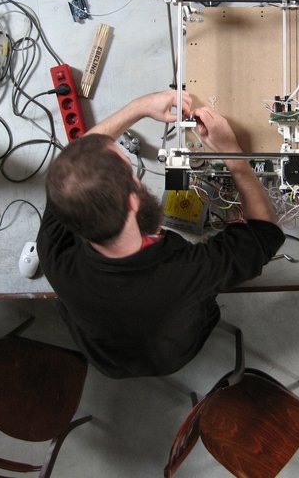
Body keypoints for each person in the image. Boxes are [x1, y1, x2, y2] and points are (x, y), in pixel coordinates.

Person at [37, 90, 284, 378]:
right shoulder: (186, 272)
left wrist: (140, 107)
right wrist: (234, 155)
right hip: (172, 356)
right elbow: (267, 234)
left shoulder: (54, 254)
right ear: (132, 200)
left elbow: (75, 163)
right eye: (131, 171)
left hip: (105, 359)